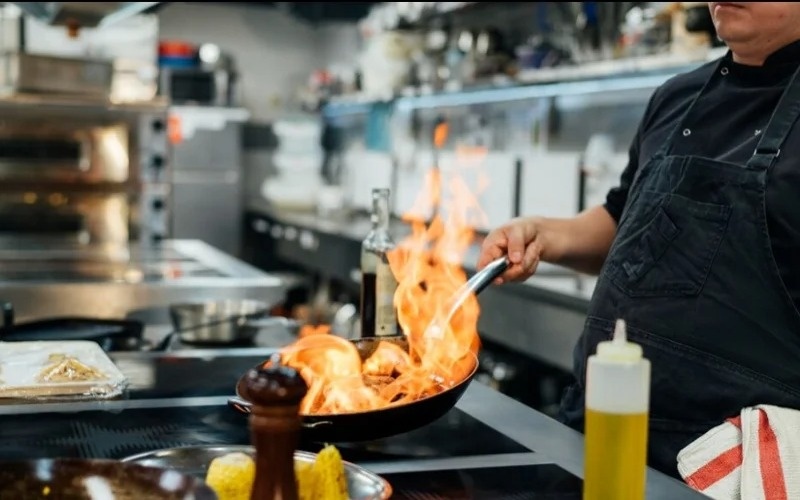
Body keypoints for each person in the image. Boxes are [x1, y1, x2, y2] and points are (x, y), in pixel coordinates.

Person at [477, 2, 800, 479]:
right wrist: (543, 234)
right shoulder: (677, 96)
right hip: (599, 428)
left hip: (731, 467)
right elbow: (624, 218)